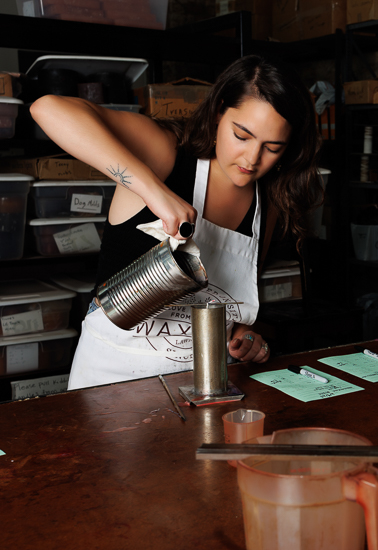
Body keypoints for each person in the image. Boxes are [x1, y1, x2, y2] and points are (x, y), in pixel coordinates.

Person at [31, 55, 322, 389]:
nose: (252, 159)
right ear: (218, 113)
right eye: (242, 136)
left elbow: (230, 302)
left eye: (272, 148)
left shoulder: (266, 206)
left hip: (206, 388)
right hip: (112, 385)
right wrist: (153, 190)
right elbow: (47, 108)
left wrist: (244, 336)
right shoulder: (165, 153)